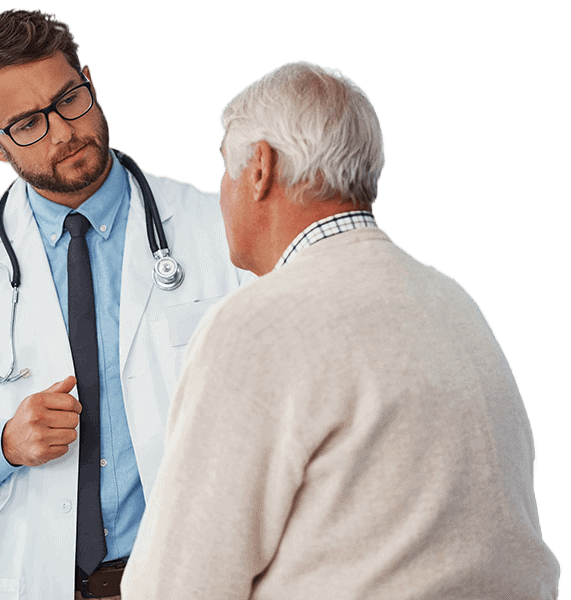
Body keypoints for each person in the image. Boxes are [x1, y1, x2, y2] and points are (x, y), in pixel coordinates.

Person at [121, 61, 561, 599]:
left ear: (260, 168)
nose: (221, 193)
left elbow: (178, 584)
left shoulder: (255, 326)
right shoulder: (453, 301)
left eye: (225, 171)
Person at [0, 9, 247, 600]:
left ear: (90, 81)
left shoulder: (214, 229)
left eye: (70, 99)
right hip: (33, 579)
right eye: (27, 123)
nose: (62, 132)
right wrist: (1, 444)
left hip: (188, 574)